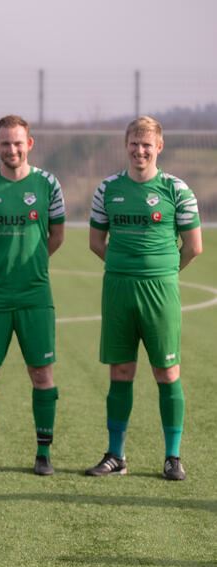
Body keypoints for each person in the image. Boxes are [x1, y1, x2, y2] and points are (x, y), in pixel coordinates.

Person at [86, 115, 202, 480]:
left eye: (147, 144)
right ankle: (115, 456)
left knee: (167, 372)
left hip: (160, 291)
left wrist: (162, 273)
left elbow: (194, 246)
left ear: (159, 147)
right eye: (134, 143)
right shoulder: (108, 189)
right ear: (126, 145)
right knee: (120, 371)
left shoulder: (176, 189)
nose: (140, 150)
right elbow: (95, 241)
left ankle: (172, 457)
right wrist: (125, 268)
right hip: (118, 290)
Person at [0, 115, 65, 476]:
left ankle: (43, 454)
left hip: (35, 295)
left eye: (18, 142)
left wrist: (30, 264)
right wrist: (1, 264)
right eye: (5, 143)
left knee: (42, 374)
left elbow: (56, 235)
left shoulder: (48, 184)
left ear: (30, 143)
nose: (12, 149)